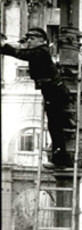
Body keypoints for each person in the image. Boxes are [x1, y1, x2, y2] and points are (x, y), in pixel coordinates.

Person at [1, 28, 72, 168]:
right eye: (28, 39)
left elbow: (20, 54)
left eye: (32, 39)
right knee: (55, 123)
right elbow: (21, 51)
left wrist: (4, 46)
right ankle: (67, 125)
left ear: (42, 40)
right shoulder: (38, 51)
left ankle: (61, 160)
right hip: (53, 90)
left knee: (54, 126)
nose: (29, 41)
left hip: (54, 91)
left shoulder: (41, 52)